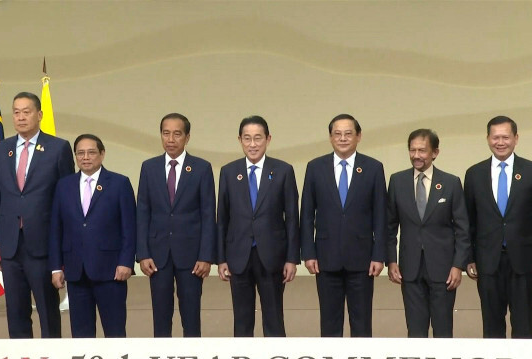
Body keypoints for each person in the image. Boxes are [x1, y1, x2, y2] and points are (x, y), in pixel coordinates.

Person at [0, 92, 74, 338]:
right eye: (16, 112)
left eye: (27, 112)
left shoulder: (58, 148)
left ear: (39, 115)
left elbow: (67, 200)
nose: (21, 117)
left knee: (47, 310)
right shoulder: (2, 149)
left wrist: (64, 246)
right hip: (10, 244)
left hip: (43, 243)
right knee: (15, 311)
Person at [300, 113, 387, 337]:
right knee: (329, 324)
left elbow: (380, 215)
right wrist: (308, 253)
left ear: (358, 136)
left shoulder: (373, 168)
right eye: (337, 134)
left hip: (362, 260)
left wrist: (379, 255)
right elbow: (307, 214)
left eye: (348, 133)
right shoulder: (315, 167)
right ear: (330, 138)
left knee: (362, 323)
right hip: (325, 259)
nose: (343, 138)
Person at [464, 115, 532, 338]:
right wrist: (469, 258)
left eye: (505, 137)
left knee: (523, 324)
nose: (500, 142)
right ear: (487, 139)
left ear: (516, 138)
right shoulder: (474, 174)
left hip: (524, 261)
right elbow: (468, 221)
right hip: (487, 262)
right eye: (495, 137)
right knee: (492, 326)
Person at [217, 116, 299, 337]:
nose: (252, 144)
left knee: (274, 321)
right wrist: (221, 258)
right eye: (247, 139)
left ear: (268, 139)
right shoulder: (228, 172)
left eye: (257, 138)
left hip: (272, 257)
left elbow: (292, 218)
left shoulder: (283, 171)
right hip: (238, 256)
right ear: (240, 140)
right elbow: (222, 218)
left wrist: (292, 258)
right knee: (242, 322)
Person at [136, 113, 216, 337]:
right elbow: (142, 212)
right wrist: (142, 253)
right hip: (157, 255)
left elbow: (209, 214)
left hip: (191, 257)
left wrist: (206, 256)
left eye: (177, 134)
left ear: (187, 137)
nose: (170, 139)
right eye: (165, 133)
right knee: (160, 317)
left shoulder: (201, 168)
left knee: (191, 318)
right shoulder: (149, 167)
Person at [49, 134, 136, 337]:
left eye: (91, 152)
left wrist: (126, 262)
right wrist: (55, 267)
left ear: (102, 154)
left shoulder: (119, 183)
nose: (85, 157)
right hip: (76, 271)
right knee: (81, 335)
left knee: (114, 333)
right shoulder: (64, 185)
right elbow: (56, 229)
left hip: (111, 271)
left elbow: (130, 227)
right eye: (80, 153)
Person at [387, 128, 470, 338]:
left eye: (422, 150)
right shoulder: (397, 182)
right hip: (410, 268)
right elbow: (390, 226)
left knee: (443, 330)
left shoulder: (451, 183)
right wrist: (391, 261)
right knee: (415, 331)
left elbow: (462, 229)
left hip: (443, 270)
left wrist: (457, 265)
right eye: (412, 150)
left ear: (435, 152)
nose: (416, 155)